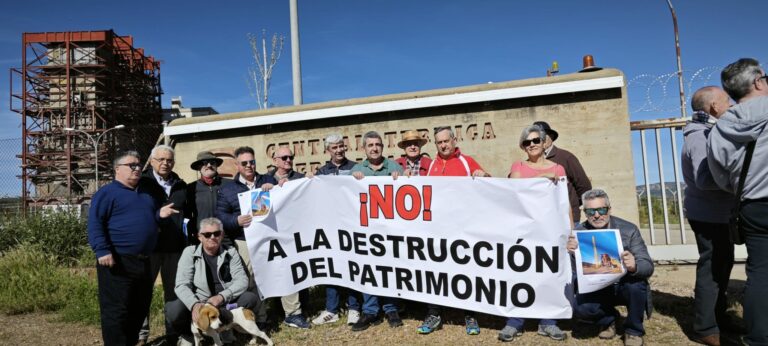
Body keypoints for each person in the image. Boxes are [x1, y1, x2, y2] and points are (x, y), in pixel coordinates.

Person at [88, 151, 177, 346]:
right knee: (116, 310)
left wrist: (158, 215)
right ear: (117, 169)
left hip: (144, 260)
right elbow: (95, 223)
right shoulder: (107, 193)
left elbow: (146, 220)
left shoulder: (145, 193)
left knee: (139, 308)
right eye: (132, 165)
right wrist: (102, 250)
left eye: (139, 165)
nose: (137, 169)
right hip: (117, 260)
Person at [215, 146, 310, 329]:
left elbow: (286, 197)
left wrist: (275, 187)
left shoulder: (268, 179)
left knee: (286, 271)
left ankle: (293, 314)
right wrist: (236, 220)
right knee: (250, 280)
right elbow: (220, 217)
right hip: (244, 240)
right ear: (237, 165)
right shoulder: (227, 189)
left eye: (252, 162)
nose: (249, 166)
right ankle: (260, 318)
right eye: (244, 163)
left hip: (273, 237)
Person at [707, 58, 768, 345]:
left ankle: (758, 338)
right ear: (758, 81)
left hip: (752, 204)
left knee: (760, 272)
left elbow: (719, 175)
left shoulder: (720, 128)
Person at [682, 86, 740, 346]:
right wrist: (739, 181)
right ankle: (705, 327)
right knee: (711, 269)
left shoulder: (710, 132)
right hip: (708, 214)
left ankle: (718, 315)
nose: (732, 104)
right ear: (715, 107)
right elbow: (704, 179)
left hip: (717, 212)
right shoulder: (700, 137)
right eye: (727, 100)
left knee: (722, 265)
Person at [499, 125, 567, 342]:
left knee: (548, 273)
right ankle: (515, 321)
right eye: (527, 142)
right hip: (523, 231)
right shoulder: (518, 167)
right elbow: (516, 188)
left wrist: (570, 231)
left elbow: (563, 204)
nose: (532, 145)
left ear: (544, 142)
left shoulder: (559, 169)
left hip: (549, 231)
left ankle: (548, 322)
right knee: (519, 274)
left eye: (536, 140)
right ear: (523, 146)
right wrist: (544, 177)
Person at [419, 126, 488, 336]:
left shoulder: (467, 161)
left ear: (454, 140)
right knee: (435, 271)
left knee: (466, 271)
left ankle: (470, 314)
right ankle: (434, 314)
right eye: (439, 142)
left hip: (463, 229)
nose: (443, 145)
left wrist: (483, 175)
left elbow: (489, 184)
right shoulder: (431, 165)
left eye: (446, 141)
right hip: (437, 229)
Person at [568, 189, 653, 346]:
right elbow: (572, 275)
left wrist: (635, 266)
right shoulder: (578, 233)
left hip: (624, 285)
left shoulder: (629, 229)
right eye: (591, 211)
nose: (597, 215)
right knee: (579, 307)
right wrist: (571, 254)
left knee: (637, 285)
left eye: (601, 210)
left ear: (609, 209)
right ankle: (608, 320)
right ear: (585, 212)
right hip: (597, 287)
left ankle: (633, 331)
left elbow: (648, 266)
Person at [165, 217, 261, 346]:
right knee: (173, 309)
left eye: (216, 233)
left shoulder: (231, 252)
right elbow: (181, 284)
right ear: (199, 237)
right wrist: (194, 304)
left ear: (222, 235)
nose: (212, 237)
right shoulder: (189, 253)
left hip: (224, 302)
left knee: (250, 298)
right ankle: (189, 334)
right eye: (207, 234)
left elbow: (242, 280)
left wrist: (222, 296)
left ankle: (226, 328)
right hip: (200, 303)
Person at [349, 131, 404, 331]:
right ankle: (370, 311)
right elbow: (345, 197)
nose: (374, 148)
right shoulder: (356, 170)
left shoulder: (395, 168)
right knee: (368, 269)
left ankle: (391, 309)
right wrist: (352, 181)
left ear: (383, 147)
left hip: (390, 231)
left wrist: (402, 180)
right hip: (366, 232)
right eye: (370, 145)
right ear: (364, 148)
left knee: (389, 269)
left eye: (378, 144)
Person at [311, 134, 362, 327]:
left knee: (351, 267)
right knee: (331, 267)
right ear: (328, 150)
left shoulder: (355, 168)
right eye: (334, 148)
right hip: (330, 228)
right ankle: (331, 309)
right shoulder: (322, 171)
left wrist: (360, 178)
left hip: (352, 226)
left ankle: (354, 307)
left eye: (341, 146)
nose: (339, 150)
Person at [139, 145, 188, 343]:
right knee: (143, 292)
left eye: (169, 160)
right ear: (151, 161)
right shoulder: (141, 183)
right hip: (149, 248)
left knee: (174, 294)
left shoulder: (181, 185)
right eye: (160, 159)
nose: (165, 163)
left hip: (174, 248)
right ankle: (141, 335)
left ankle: (173, 333)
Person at [533, 121, 592, 223]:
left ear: (550, 137)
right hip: (542, 218)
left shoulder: (566, 157)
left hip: (568, 217)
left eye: (543, 135)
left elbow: (584, 186)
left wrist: (572, 203)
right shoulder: (532, 161)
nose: (540, 139)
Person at [185, 151, 228, 246]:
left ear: (216, 166)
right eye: (204, 163)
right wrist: (193, 232)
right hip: (202, 238)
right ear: (198, 168)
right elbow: (187, 214)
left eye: (212, 162)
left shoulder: (228, 185)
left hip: (225, 238)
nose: (209, 165)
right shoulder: (191, 188)